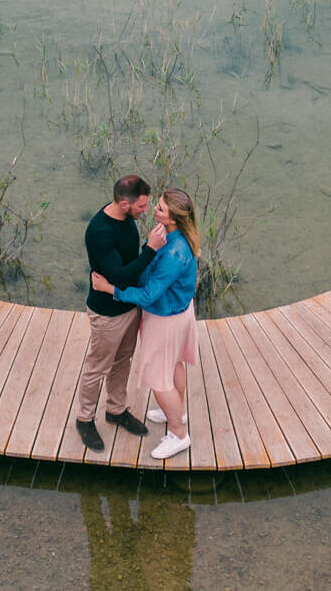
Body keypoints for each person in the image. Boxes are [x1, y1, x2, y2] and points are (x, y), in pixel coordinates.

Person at [92, 188, 200, 461]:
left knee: (158, 378)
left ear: (174, 218)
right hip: (180, 311)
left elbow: (149, 294)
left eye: (162, 209)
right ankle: (175, 411)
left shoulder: (174, 252)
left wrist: (110, 289)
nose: (155, 209)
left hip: (165, 319)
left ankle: (178, 433)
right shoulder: (176, 237)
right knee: (174, 364)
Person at [75, 173, 158, 453]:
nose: (145, 211)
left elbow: (127, 267)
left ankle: (116, 409)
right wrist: (151, 249)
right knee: (97, 366)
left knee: (123, 360)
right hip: (107, 313)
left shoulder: (126, 220)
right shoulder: (100, 232)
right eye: (142, 206)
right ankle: (84, 419)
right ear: (124, 203)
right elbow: (120, 276)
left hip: (129, 305)